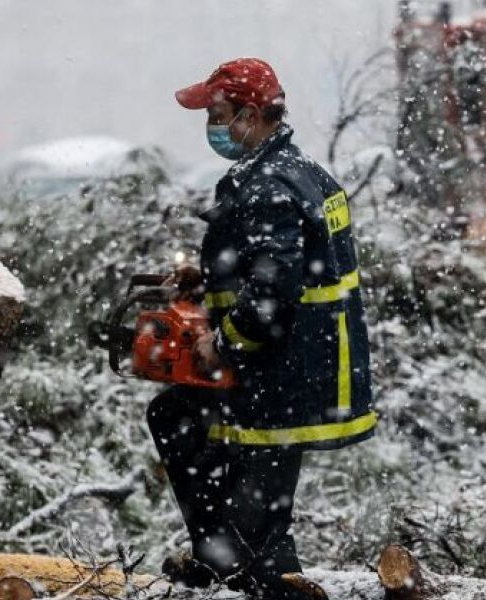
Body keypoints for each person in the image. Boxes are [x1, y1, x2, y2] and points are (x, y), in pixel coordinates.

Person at [148, 58, 376, 599]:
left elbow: (273, 294)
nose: (213, 125)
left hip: (284, 372)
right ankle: (218, 559)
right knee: (175, 416)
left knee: (262, 526)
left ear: (251, 115)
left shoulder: (271, 185)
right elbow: (268, 264)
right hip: (287, 363)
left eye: (219, 114)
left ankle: (266, 582)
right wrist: (209, 276)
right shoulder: (290, 172)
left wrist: (219, 341)